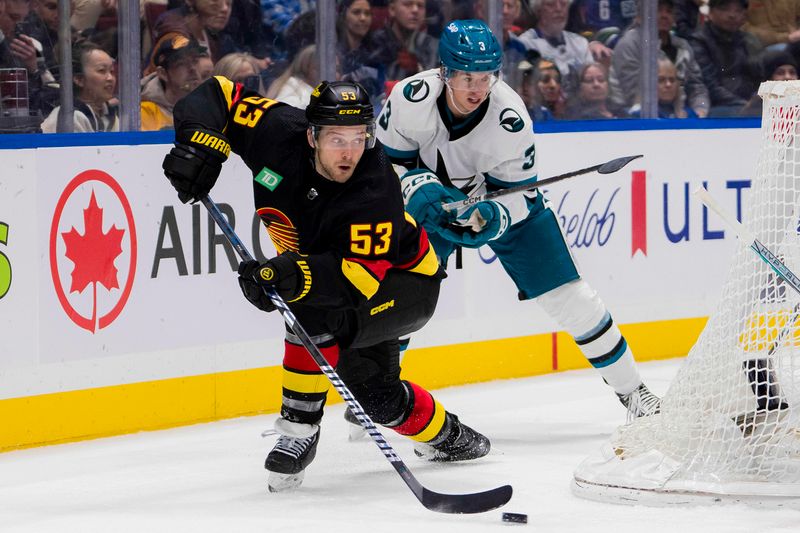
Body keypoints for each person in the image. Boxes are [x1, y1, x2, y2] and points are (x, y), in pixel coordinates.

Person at [161, 78, 492, 492]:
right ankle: (453, 439)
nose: (350, 152)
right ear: (311, 134)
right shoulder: (276, 132)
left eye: (360, 138)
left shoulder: (375, 187)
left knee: (310, 307)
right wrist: (197, 143)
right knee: (378, 398)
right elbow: (218, 94)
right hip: (343, 280)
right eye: (337, 139)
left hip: (405, 285)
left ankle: (298, 431)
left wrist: (285, 277)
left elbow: (353, 282)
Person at [375, 19, 661, 420]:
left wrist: (493, 215)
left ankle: (634, 393)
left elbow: (520, 196)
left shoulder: (510, 117)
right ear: (445, 72)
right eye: (467, 77)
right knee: (400, 301)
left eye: (487, 77)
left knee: (573, 298)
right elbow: (381, 171)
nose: (478, 89)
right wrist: (416, 187)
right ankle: (377, 386)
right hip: (425, 210)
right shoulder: (410, 98)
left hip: (491, 200)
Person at [41, 41, 118, 132]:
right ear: (79, 79)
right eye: (102, 70)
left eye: (112, 71)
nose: (110, 78)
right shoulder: (70, 117)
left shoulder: (110, 114)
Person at [140, 33, 208, 131]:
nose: (192, 68)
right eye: (181, 64)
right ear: (163, 73)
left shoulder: (210, 108)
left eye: (195, 61)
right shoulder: (147, 112)